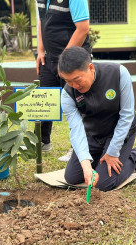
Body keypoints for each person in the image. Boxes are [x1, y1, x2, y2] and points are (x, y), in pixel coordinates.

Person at [58, 47, 136, 191]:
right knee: (72, 177)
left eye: (77, 80)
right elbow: (76, 130)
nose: (74, 86)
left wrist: (113, 151)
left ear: (90, 68)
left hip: (119, 130)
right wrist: (86, 164)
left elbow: (127, 115)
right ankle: (99, 158)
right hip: (93, 132)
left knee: (104, 184)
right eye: (68, 81)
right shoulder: (67, 95)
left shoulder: (118, 74)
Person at [36, 0, 91, 161]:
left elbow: (83, 28)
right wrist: (40, 50)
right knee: (45, 99)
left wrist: (64, 60)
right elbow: (41, 21)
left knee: (79, 103)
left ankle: (78, 148)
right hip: (49, 58)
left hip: (73, 59)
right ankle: (41, 141)